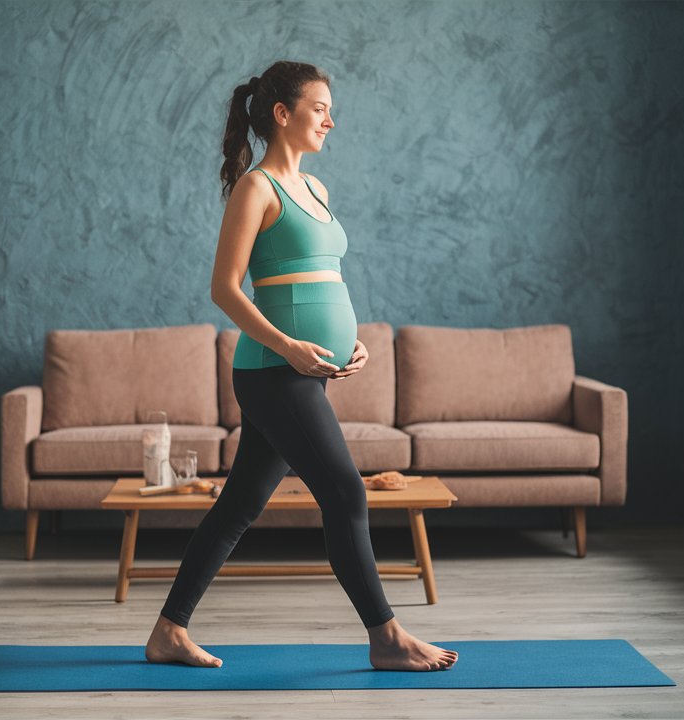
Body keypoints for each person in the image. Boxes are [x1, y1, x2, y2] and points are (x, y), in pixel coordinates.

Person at [144, 61, 458, 672]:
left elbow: (325, 279)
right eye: (320, 109)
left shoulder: (317, 190)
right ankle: (386, 637)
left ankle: (167, 633)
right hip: (271, 372)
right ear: (283, 114)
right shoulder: (256, 188)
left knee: (238, 506)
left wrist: (353, 340)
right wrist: (290, 346)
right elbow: (225, 289)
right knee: (345, 493)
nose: (330, 121)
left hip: (304, 372)